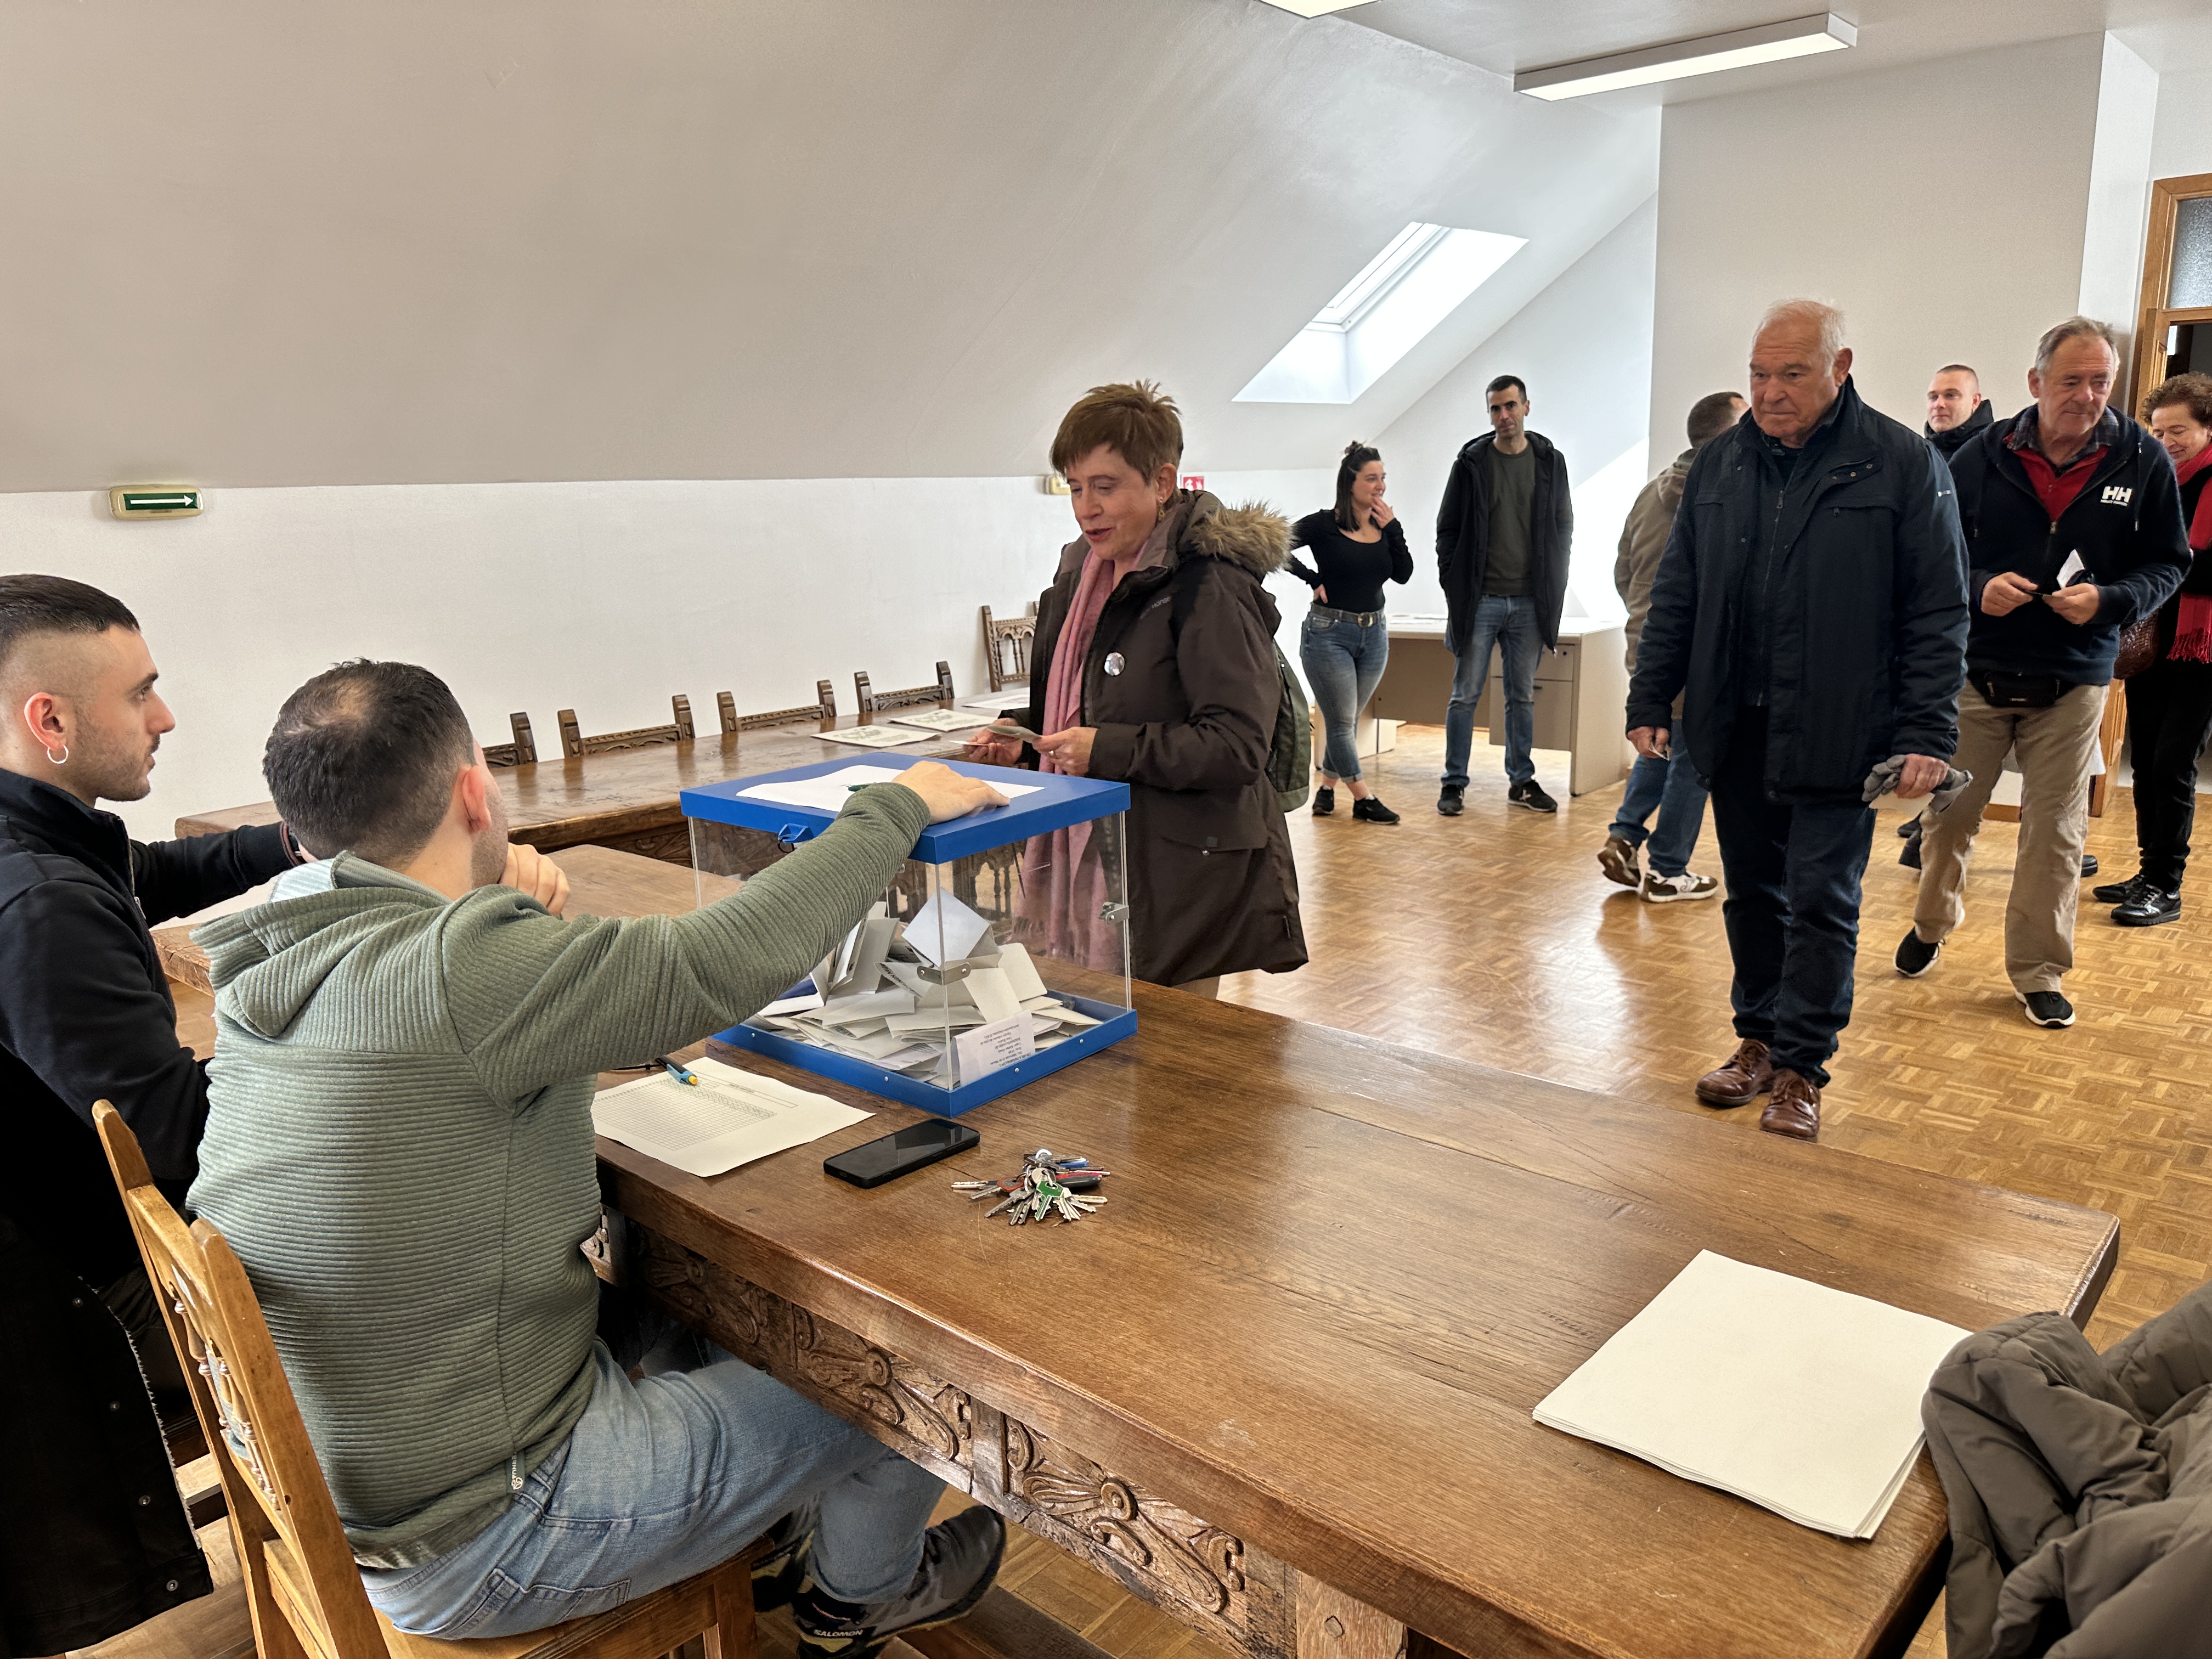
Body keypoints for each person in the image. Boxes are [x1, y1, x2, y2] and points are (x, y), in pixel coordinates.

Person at [188, 661, 1011, 1655]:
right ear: (474, 792)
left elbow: (455, 1041)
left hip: (367, 1471)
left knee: (704, 1306)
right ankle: (860, 1595)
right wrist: (894, 807)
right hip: (491, 1528)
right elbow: (716, 962)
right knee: (909, 1377)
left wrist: (498, 918)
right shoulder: (456, 969)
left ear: (300, 830)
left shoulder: (283, 951)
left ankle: (767, 1539)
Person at [0, 574, 312, 1656]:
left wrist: (293, 841)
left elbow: (145, 873)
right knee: (441, 1258)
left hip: (66, 1238)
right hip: (95, 1292)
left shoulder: (37, 838)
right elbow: (184, 1141)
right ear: (49, 720)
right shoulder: (40, 904)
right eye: (141, 693)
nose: (165, 716)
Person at [1627, 300, 1968, 1142]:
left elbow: (1938, 609)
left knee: (1821, 901)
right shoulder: (1720, 465)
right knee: (1753, 895)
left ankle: (1801, 1069)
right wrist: (1651, 695)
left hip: (1842, 728)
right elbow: (1678, 588)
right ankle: (1757, 1037)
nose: (1771, 392)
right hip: (1735, 724)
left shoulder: (1901, 462)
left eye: (1792, 374)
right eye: (1759, 374)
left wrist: (1926, 732)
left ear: (1840, 368)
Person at [964, 381, 1306, 996]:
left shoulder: (1209, 586)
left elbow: (1237, 746)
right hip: (1103, 853)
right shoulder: (1078, 579)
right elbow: (1090, 703)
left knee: (1165, 1052)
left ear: (1162, 482)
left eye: (1105, 486)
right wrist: (1026, 736)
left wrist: (1104, 750)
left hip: (1179, 878)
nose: (1085, 508)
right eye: (1075, 487)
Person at [1902, 318, 2188, 1026]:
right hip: (1979, 671)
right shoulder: (1982, 455)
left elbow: (2169, 562)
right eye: (2072, 381)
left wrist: (2112, 601)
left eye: (2101, 382)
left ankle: (2038, 970)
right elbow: (1937, 550)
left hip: (2075, 677)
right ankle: (1932, 925)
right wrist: (1980, 586)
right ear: (2035, 383)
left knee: (2056, 834)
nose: (2088, 396)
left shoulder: (2143, 458)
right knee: (1950, 815)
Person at [1599, 391, 1745, 902]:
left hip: (1644, 639)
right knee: (1694, 757)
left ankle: (1624, 837)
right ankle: (1667, 870)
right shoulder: (1719, 496)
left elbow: (1622, 570)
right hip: (1690, 650)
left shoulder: (1650, 492)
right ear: (1729, 435)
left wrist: (1644, 618)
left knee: (1662, 742)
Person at [2092, 373, 2212, 925]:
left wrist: (2167, 562)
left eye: (2178, 431)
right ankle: (2149, 871)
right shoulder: (2153, 481)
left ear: (2207, 429)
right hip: (2151, 638)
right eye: (2158, 432)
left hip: (2201, 646)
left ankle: (2166, 885)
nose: (2166, 442)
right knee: (2144, 762)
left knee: (2171, 764)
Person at [1435, 374, 1573, 816]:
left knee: (1522, 696)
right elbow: (1448, 528)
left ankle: (1522, 782)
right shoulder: (1471, 463)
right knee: (1465, 695)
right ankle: (1454, 783)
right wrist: (1452, 580)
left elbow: (1563, 524)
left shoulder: (1549, 461)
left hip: (1530, 601)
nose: (1504, 416)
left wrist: (1557, 574)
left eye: (1511, 406)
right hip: (1481, 600)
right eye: (1496, 408)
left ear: (1526, 407)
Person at [1287, 441, 1412, 823]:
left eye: (1383, 478)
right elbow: (1273, 544)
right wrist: (1311, 578)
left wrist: (1394, 529)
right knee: (1342, 723)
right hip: (1329, 633)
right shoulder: (1323, 524)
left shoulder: (1383, 524)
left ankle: (1327, 789)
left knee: (1347, 720)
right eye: (1372, 479)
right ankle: (1363, 798)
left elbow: (1403, 574)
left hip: (1374, 634)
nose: (1380, 486)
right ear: (1350, 482)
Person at [1925, 363, 1994, 459]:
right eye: (1934, 397)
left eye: (1950, 395)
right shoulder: (1916, 455)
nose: (1938, 404)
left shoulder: (1997, 452)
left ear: (1975, 401)